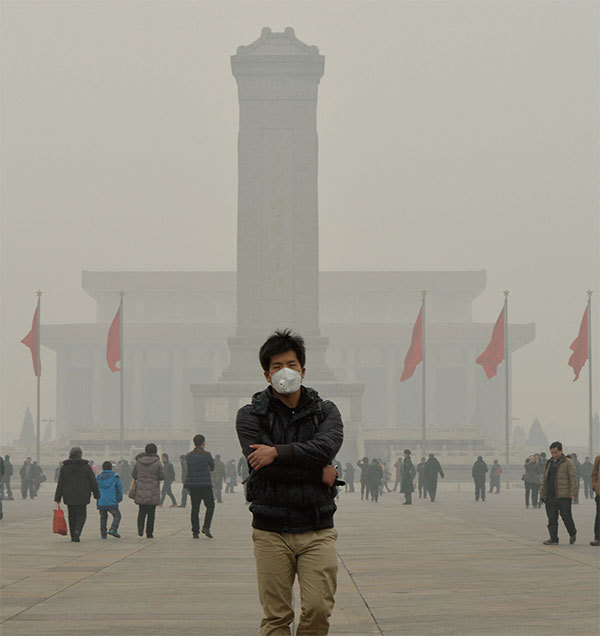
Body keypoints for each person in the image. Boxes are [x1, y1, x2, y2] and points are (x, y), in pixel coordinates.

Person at [235, 329, 343, 636]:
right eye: (278, 366)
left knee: (318, 609)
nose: (286, 371)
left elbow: (326, 448)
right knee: (276, 617)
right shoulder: (250, 416)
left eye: (292, 365)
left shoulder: (326, 412)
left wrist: (278, 452)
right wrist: (316, 472)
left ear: (304, 370)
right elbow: (264, 469)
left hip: (317, 527)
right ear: (267, 375)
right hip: (271, 529)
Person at [54, 447, 100, 542]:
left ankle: (73, 535)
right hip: (83, 495)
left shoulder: (64, 467)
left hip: (69, 495)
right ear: (80, 455)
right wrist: (97, 494)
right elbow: (93, 481)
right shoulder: (86, 467)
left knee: (71, 515)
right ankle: (77, 531)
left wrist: (58, 497)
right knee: (82, 515)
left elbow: (60, 483)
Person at [539, 441, 577, 545]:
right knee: (552, 518)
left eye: (555, 452)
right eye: (552, 452)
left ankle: (572, 532)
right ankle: (553, 538)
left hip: (564, 496)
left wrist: (573, 492)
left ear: (561, 451)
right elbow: (544, 479)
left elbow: (573, 478)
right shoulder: (549, 462)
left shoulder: (568, 462)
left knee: (566, 517)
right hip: (551, 496)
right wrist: (542, 493)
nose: (554, 455)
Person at [184, 434, 215, 539]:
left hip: (194, 485)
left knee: (195, 509)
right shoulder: (207, 454)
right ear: (203, 443)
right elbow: (212, 467)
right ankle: (206, 527)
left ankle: (195, 532)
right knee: (210, 506)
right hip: (205, 485)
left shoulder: (189, 455)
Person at [132, 443, 164, 539]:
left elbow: (134, 475)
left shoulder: (138, 462)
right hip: (153, 491)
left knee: (141, 511)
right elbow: (162, 476)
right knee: (151, 513)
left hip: (141, 490)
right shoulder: (158, 462)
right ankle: (149, 533)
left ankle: (140, 529)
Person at [96, 460, 123, 539]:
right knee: (117, 515)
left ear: (102, 468)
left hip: (101, 501)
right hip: (112, 500)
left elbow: (95, 488)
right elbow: (119, 489)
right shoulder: (115, 477)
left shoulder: (98, 477)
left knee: (103, 517)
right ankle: (113, 529)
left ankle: (103, 534)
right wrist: (119, 498)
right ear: (111, 468)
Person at [591, 454, 600, 546]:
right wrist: (595, 486)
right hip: (599, 492)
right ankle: (598, 537)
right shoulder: (598, 459)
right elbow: (594, 474)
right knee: (599, 516)